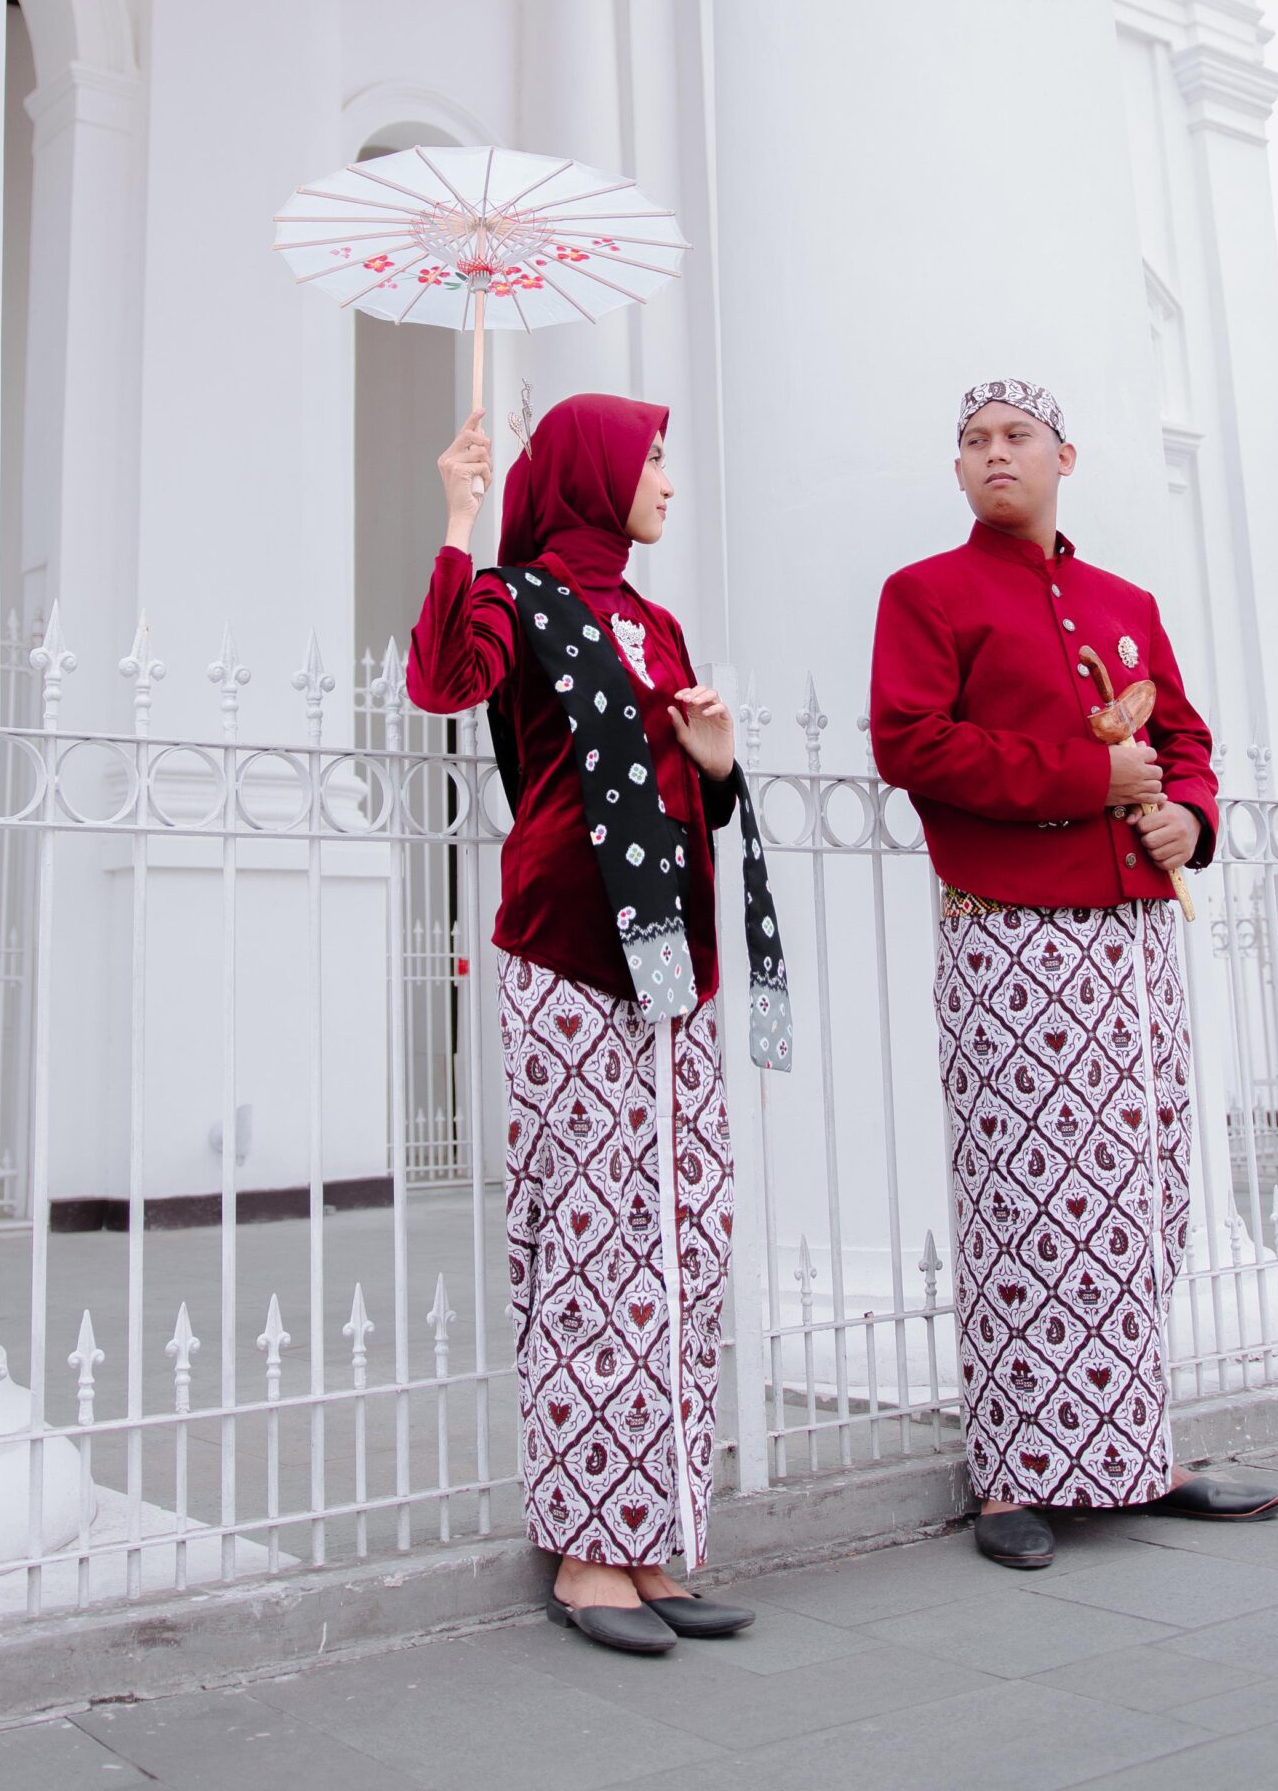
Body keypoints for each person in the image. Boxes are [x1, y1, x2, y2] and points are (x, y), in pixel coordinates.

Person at [870, 379, 1278, 1570]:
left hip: (1134, 935)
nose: (992, 454)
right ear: (957, 468)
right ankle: (1011, 1475)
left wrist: (1188, 818)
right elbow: (909, 740)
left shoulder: (1124, 602)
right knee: (1025, 1193)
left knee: (1138, 1189)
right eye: (972, 441)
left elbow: (1185, 742)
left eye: (1015, 437)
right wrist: (1081, 779)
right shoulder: (925, 594)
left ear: (1064, 457)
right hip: (1010, 929)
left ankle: (1137, 1452)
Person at [407, 393, 788, 1653]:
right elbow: (438, 682)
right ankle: (585, 1553)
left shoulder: (656, 622)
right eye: (651, 458)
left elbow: (685, 794)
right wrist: (458, 517)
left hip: (672, 961)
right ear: (593, 468)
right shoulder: (517, 599)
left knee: (680, 1237)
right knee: (589, 1239)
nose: (667, 480)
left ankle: (652, 1534)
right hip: (566, 949)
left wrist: (716, 761)